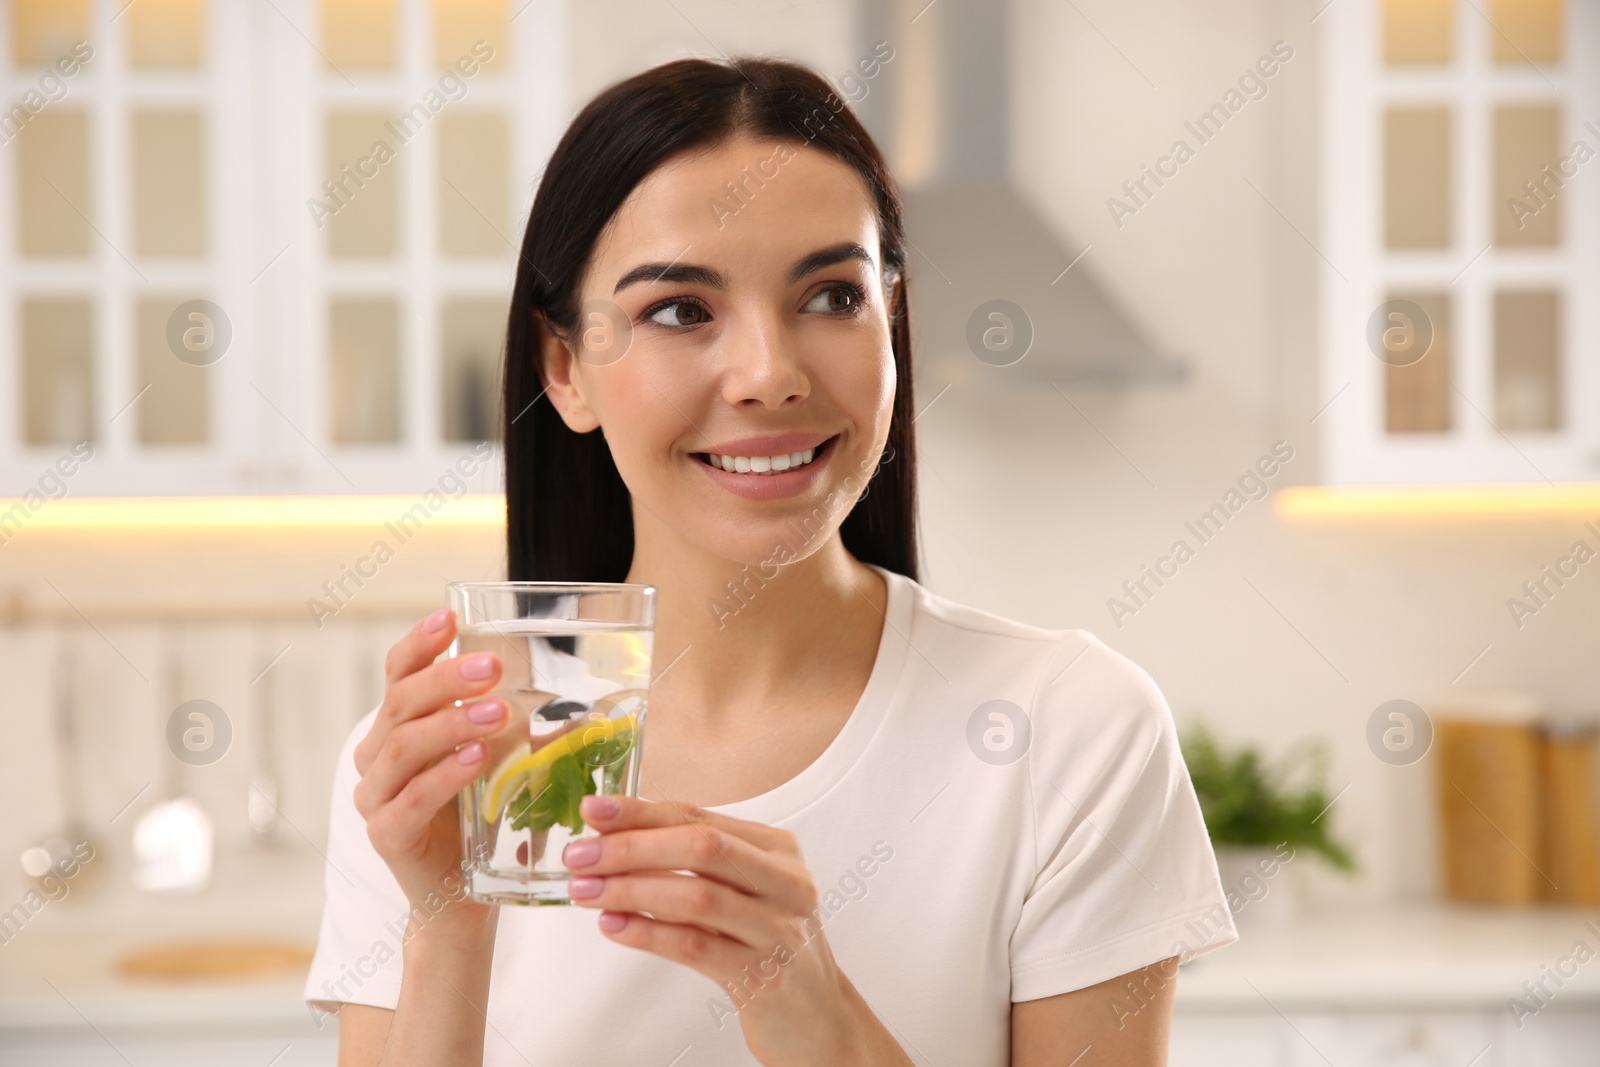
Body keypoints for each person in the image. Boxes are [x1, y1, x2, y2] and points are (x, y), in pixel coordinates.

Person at [304, 55, 1237, 1066]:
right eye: (680, 310)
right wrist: (445, 920)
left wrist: (811, 1008)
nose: (769, 374)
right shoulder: (448, 773)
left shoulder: (1072, 733)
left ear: (894, 321)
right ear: (565, 368)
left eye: (832, 296)